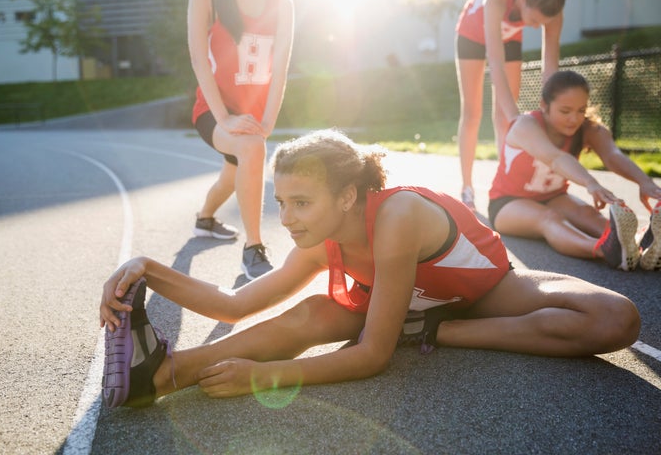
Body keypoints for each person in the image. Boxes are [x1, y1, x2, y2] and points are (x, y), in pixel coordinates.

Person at [100, 130, 640, 409]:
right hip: (386, 302)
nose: (286, 219)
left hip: (479, 293)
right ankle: (164, 374)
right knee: (311, 314)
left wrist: (265, 377)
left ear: (347, 195)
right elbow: (234, 304)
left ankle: (436, 331)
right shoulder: (319, 241)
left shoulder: (399, 215)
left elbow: (372, 357)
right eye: (281, 202)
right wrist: (144, 268)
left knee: (616, 319)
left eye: (301, 203)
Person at [488, 70, 661, 271]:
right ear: (545, 106)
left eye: (581, 110)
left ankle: (641, 246)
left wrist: (644, 182)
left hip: (553, 196)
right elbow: (556, 158)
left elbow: (613, 156)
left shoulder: (587, 128)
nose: (574, 119)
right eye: (565, 111)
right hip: (507, 203)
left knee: (588, 214)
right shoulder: (525, 125)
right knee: (549, 218)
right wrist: (591, 183)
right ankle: (605, 250)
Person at [188, 0, 294, 279]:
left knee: (232, 175)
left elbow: (280, 67)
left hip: (252, 115)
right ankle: (254, 247)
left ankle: (204, 219)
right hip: (213, 110)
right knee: (251, 148)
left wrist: (268, 122)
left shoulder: (282, 3)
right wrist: (224, 118)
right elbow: (199, 59)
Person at [455, 0, 567, 209]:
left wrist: (550, 111)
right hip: (472, 34)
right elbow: (495, 63)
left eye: (541, 22)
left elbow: (550, 66)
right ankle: (467, 187)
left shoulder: (553, 6)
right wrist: (519, 122)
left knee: (504, 118)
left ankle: (504, 185)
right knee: (473, 113)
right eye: (534, 19)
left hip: (509, 38)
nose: (536, 27)